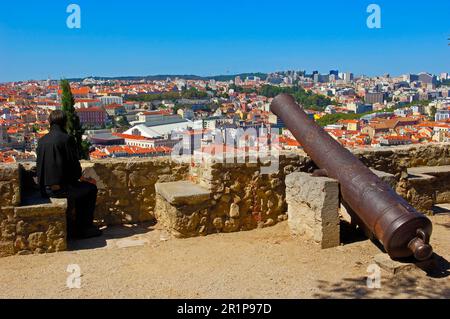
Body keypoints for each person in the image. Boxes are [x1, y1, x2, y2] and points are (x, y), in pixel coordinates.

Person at [36, 110, 102, 239]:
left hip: (44, 189)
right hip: (61, 189)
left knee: (80, 189)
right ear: (64, 123)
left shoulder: (42, 141)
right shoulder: (66, 139)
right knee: (90, 189)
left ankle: (75, 226)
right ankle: (84, 228)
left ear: (50, 122)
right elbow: (74, 167)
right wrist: (83, 178)